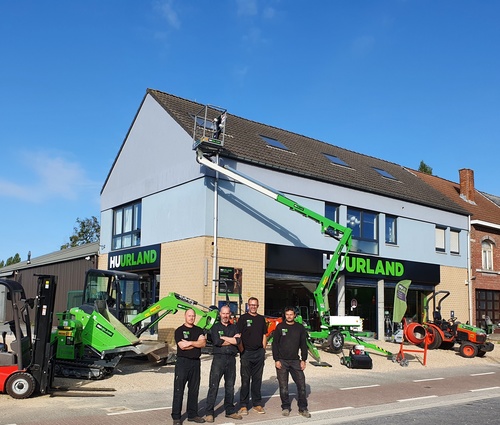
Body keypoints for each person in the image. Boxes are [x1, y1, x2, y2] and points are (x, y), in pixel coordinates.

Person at [204, 305, 242, 422]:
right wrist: (231, 340)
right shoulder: (215, 327)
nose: (225, 316)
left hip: (231, 360)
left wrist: (225, 338)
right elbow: (217, 341)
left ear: (230, 314)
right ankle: (209, 412)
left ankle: (229, 411)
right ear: (220, 314)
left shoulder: (235, 327)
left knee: (230, 387)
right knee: (213, 386)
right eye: (223, 313)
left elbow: (238, 341)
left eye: (227, 313)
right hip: (218, 360)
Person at [272, 306, 310, 418]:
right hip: (282, 361)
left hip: (295, 361)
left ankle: (303, 408)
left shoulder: (300, 328)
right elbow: (275, 344)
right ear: (285, 315)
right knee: (283, 386)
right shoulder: (280, 327)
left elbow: (304, 344)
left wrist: (304, 359)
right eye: (287, 314)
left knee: (302, 385)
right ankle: (285, 407)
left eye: (291, 314)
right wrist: (276, 359)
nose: (289, 316)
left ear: (295, 315)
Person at [171, 309, 206, 425]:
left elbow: (203, 344)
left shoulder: (199, 330)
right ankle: (176, 417)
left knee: (194, 390)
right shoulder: (179, 331)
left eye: (193, 316)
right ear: (185, 316)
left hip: (195, 363)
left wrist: (190, 343)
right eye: (189, 316)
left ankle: (193, 414)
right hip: (182, 363)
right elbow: (182, 347)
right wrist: (196, 343)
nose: (191, 318)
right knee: (178, 390)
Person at [236, 296, 267, 415]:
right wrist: (242, 351)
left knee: (257, 380)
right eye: (251, 304)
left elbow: (264, 335)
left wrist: (263, 350)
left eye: (255, 305)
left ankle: (257, 404)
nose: (253, 307)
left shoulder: (261, 319)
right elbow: (238, 335)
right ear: (248, 305)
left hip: (258, 353)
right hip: (246, 354)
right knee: (245, 380)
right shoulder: (243, 319)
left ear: (258, 306)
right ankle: (243, 405)